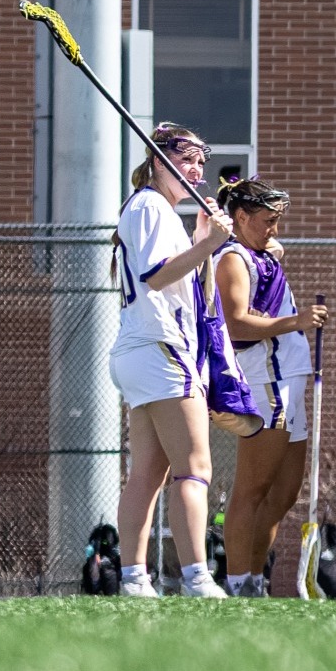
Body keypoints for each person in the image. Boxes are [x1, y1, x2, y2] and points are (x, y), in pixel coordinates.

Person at [108, 123, 234, 598]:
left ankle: (134, 579)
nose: (196, 170)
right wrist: (208, 245)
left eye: (201, 162)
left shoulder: (157, 210)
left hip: (144, 350)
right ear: (159, 161)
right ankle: (198, 578)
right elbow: (156, 276)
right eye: (186, 160)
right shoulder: (149, 205)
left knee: (149, 472)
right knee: (194, 468)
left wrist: (201, 239)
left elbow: (185, 286)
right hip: (159, 349)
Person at [213, 178, 327, 596]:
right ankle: (239, 580)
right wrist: (294, 322)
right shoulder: (233, 260)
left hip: (290, 380)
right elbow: (237, 324)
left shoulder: (261, 254)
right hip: (267, 380)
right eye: (267, 220)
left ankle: (256, 576)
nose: (274, 229)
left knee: (283, 492)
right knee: (253, 487)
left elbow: (271, 253)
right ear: (241, 218)